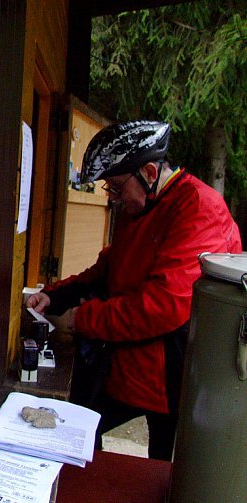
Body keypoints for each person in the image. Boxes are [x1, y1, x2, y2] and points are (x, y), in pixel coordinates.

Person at [26, 120, 242, 461]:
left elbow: (164, 305)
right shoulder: (142, 204)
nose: (112, 199)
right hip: (133, 362)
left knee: (165, 469)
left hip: (175, 374)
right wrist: (56, 295)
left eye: (115, 187)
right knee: (79, 431)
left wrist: (83, 318)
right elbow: (109, 268)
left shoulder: (200, 207)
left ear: (150, 173)